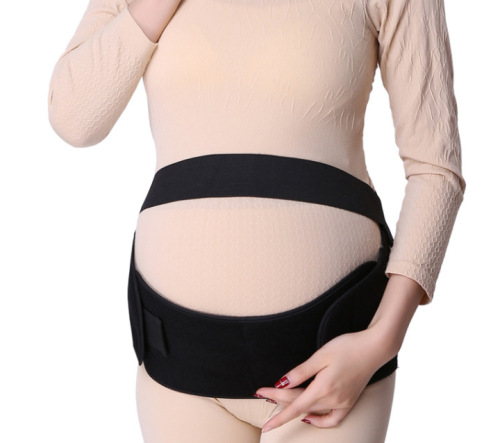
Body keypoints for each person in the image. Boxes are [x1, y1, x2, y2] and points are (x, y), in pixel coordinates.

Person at [47, 0, 466, 441]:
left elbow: (436, 169)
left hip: (333, 359)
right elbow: (75, 119)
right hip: (180, 358)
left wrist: (381, 341)